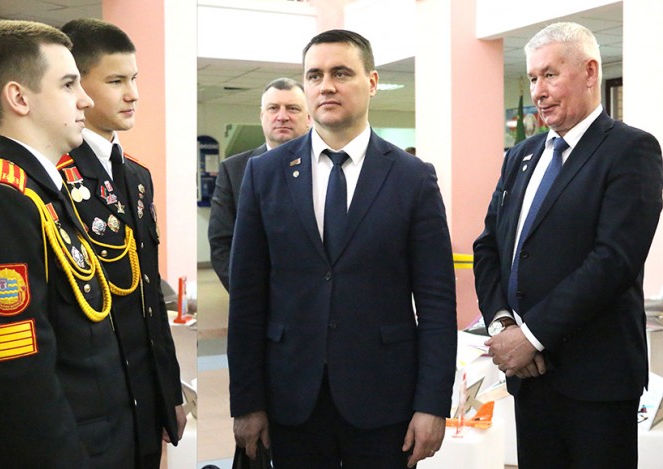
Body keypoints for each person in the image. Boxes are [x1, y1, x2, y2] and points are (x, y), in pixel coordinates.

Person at [227, 29, 457, 468]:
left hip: (384, 401)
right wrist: (246, 401)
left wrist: (432, 404)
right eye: (314, 75)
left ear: (372, 82)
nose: (326, 86)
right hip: (290, 399)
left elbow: (436, 302)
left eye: (341, 73)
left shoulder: (412, 178)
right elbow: (247, 298)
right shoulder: (265, 174)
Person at [0, 20, 137, 468]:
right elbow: (19, 380)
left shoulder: (40, 190)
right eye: (68, 84)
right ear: (19, 98)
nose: (85, 99)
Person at [473, 22, 663, 469]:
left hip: (596, 383)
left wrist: (531, 337)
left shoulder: (631, 150)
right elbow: (488, 247)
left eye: (550, 74)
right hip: (529, 378)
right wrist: (503, 325)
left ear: (590, 72)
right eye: (533, 77)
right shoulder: (521, 156)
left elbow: (613, 260)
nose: (538, 91)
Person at [58, 18, 186, 468]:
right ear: (75, 86)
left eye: (134, 79)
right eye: (116, 81)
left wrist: (170, 392)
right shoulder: (55, 177)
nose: (132, 94)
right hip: (94, 412)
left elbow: (148, 297)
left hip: (145, 402)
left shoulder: (136, 175)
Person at [208, 77, 310, 290]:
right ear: (262, 116)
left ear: (309, 117)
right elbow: (221, 243)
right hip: (256, 297)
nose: (282, 116)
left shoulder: (327, 166)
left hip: (315, 299)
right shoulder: (234, 170)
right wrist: (247, 294)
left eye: (292, 108)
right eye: (273, 108)